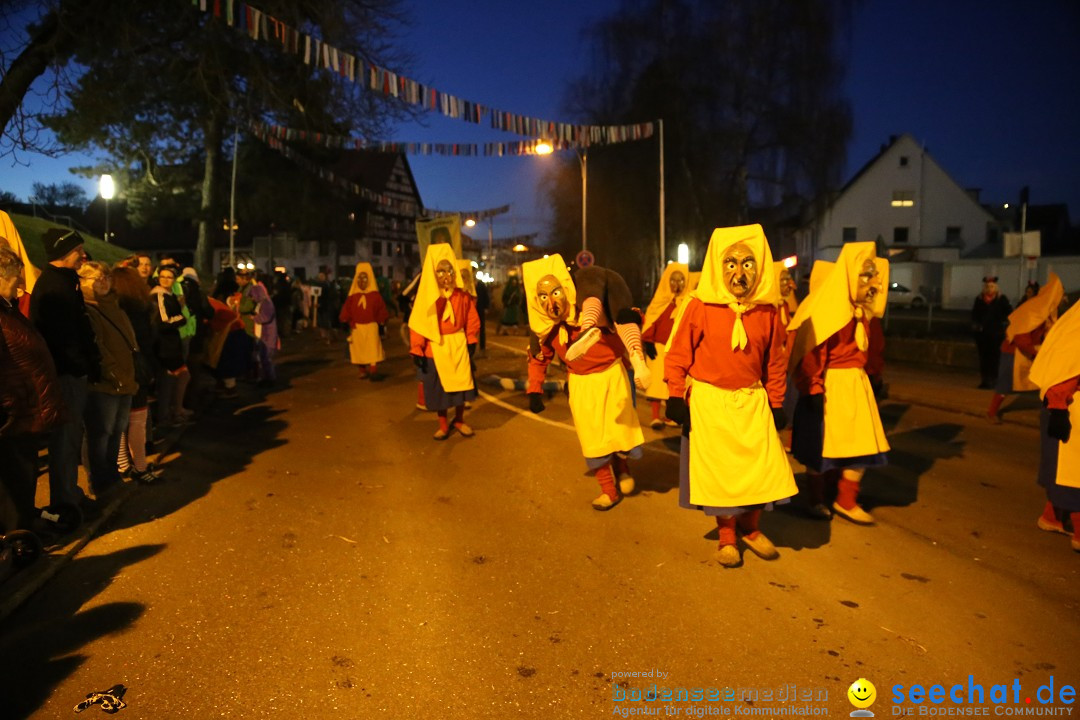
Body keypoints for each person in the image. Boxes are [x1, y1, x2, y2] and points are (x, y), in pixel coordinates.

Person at [664, 226, 796, 566]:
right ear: (718, 266)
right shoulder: (700, 306)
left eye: (748, 264)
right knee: (721, 475)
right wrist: (675, 395)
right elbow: (677, 354)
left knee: (757, 471)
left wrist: (777, 402)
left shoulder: (767, 312)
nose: (739, 272)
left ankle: (751, 529)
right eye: (732, 263)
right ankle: (726, 537)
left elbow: (776, 362)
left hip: (751, 401)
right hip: (711, 403)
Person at [525, 254, 644, 511]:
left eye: (554, 292)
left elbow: (625, 318)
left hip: (613, 376)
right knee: (593, 437)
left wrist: (634, 328)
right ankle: (607, 490)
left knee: (619, 431)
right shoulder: (547, 329)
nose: (551, 301)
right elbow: (538, 358)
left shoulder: (591, 308)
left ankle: (622, 468)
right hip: (581, 384)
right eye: (543, 296)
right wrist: (535, 389)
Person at [788, 241, 890, 525]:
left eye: (873, 276)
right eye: (865, 276)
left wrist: (873, 376)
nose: (872, 283)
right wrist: (813, 388)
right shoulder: (828, 310)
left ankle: (846, 499)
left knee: (860, 446)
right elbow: (812, 351)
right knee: (822, 448)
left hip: (856, 384)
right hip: (832, 383)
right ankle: (817, 498)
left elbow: (871, 348)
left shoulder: (860, 312)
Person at [30, 228, 101, 513]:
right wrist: (81, 365)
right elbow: (63, 337)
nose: (83, 255)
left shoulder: (63, 282)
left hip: (70, 371)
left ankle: (69, 493)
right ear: (62, 253)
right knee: (66, 438)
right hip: (66, 374)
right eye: (77, 250)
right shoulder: (55, 287)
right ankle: (65, 501)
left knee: (70, 437)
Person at [0, 248, 64, 533]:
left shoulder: (7, 309)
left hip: (24, 414)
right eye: (16, 278)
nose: (21, 286)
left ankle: (22, 527)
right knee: (14, 482)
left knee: (23, 478)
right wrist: (10, 405)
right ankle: (16, 538)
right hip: (13, 415)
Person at [79, 262, 139, 499]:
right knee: (99, 433)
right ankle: (99, 481)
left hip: (125, 381)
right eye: (95, 278)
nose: (103, 281)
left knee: (116, 431)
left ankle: (111, 474)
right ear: (82, 282)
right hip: (105, 384)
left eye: (105, 277)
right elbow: (98, 349)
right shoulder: (87, 310)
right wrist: (115, 375)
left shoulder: (115, 306)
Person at [408, 244, 480, 440]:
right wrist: (417, 347)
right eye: (440, 271)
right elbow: (419, 324)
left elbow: (471, 318)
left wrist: (471, 338)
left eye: (449, 270)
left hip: (457, 346)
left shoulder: (462, 295)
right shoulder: (427, 299)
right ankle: (442, 424)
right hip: (435, 348)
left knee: (460, 387)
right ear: (433, 274)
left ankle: (459, 420)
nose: (446, 275)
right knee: (440, 391)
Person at [1029, 296, 1080, 553]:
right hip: (1069, 408)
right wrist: (1059, 409)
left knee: (1063, 472)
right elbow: (1068, 366)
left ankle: (1052, 517)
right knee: (1071, 473)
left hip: (1064, 406)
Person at [986, 274, 1064, 423]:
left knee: (1044, 380)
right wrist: (1036, 352)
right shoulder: (1034, 310)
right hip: (1013, 351)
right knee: (1005, 383)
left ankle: (1049, 412)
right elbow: (1021, 336)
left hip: (1028, 350)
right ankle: (991, 413)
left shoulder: (1045, 311)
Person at [563, 265, 652, 390]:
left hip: (589, 377)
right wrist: (636, 316)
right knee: (624, 316)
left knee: (591, 297)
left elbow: (542, 348)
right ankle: (637, 355)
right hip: (617, 370)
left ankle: (587, 327)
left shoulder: (579, 285)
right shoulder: (614, 282)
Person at [111, 266, 161, 483]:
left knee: (120, 421)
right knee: (138, 419)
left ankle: (122, 464)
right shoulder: (141, 308)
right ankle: (140, 467)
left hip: (117, 370)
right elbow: (148, 342)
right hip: (138, 369)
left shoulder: (111, 308)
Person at [641, 263, 691, 429]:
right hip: (659, 348)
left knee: (676, 384)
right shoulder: (660, 301)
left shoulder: (690, 302)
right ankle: (655, 416)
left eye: (681, 280)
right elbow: (651, 321)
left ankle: (673, 416)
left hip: (679, 350)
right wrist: (648, 342)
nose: (677, 284)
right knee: (657, 383)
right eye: (673, 280)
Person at [150, 265, 189, 427]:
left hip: (172, 344)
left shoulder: (169, 295)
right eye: (163, 276)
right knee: (171, 379)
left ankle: (174, 411)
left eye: (169, 277)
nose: (166, 279)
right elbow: (162, 322)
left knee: (177, 377)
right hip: (166, 346)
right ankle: (167, 415)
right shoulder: (159, 295)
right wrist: (181, 318)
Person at [339, 262, 389, 380]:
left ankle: (373, 369)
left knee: (372, 347)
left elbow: (381, 309)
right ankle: (362, 369)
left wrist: (382, 319)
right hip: (357, 327)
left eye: (365, 278)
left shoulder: (375, 296)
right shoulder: (353, 297)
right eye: (359, 278)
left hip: (371, 326)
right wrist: (345, 319)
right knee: (359, 349)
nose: (362, 281)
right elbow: (347, 309)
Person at [235, 267, 278, 386]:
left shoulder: (265, 302)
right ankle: (265, 377)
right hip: (263, 333)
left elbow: (267, 315)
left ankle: (269, 379)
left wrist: (255, 318)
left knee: (266, 357)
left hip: (267, 334)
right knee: (262, 356)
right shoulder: (262, 301)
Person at [972, 276, 1012, 389]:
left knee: (995, 358)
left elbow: (1009, 312)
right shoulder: (979, 299)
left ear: (995, 287)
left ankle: (995, 380)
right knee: (984, 358)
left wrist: (1004, 323)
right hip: (983, 334)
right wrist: (976, 325)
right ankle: (985, 380)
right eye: (987, 287)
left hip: (997, 334)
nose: (989, 289)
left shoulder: (1001, 299)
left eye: (992, 286)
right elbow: (974, 314)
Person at [475, 270, 491, 356]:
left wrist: (486, 307)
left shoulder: (481, 285)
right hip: (472, 310)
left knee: (482, 329)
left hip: (480, 309)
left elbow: (486, 296)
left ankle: (482, 347)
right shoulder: (468, 285)